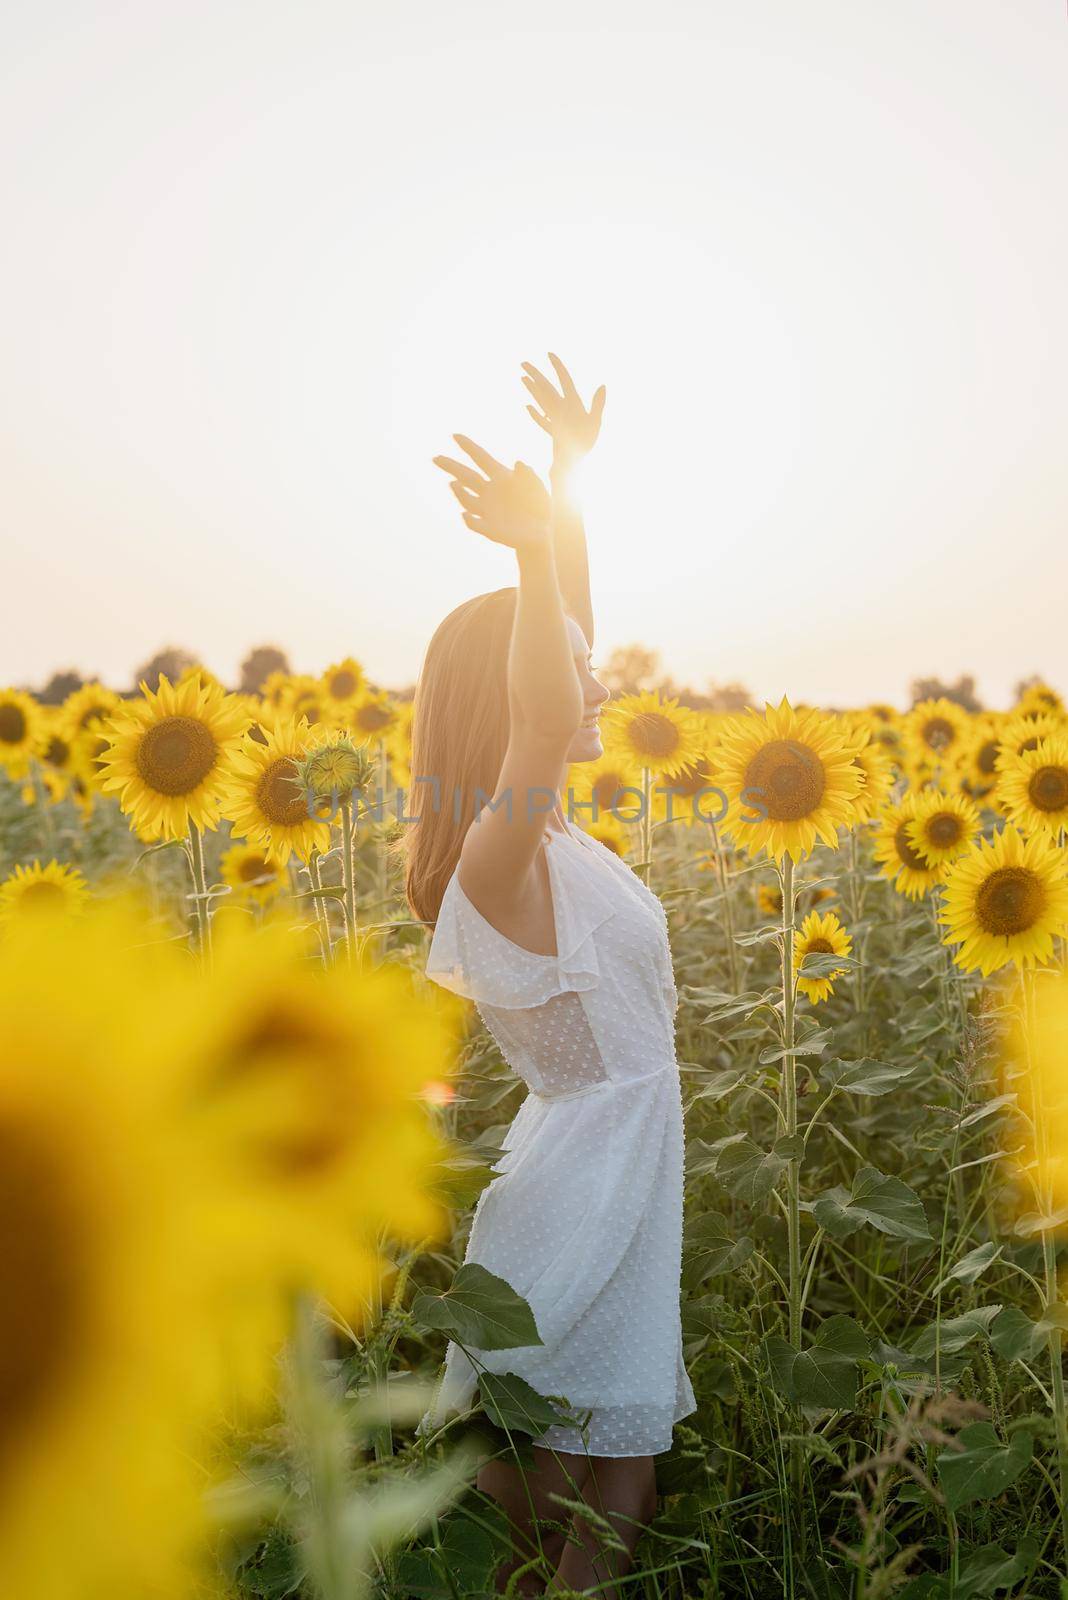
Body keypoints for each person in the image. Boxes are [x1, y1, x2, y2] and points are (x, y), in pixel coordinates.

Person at [406, 356, 695, 1595]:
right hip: (581, 1188)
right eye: (576, 672)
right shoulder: (499, 851)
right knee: (551, 1490)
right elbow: (539, 711)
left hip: (624, 1171)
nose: (598, 685)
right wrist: (527, 556)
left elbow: (560, 647)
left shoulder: (556, 836)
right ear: (509, 701)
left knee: (613, 1475)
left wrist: (570, 490)